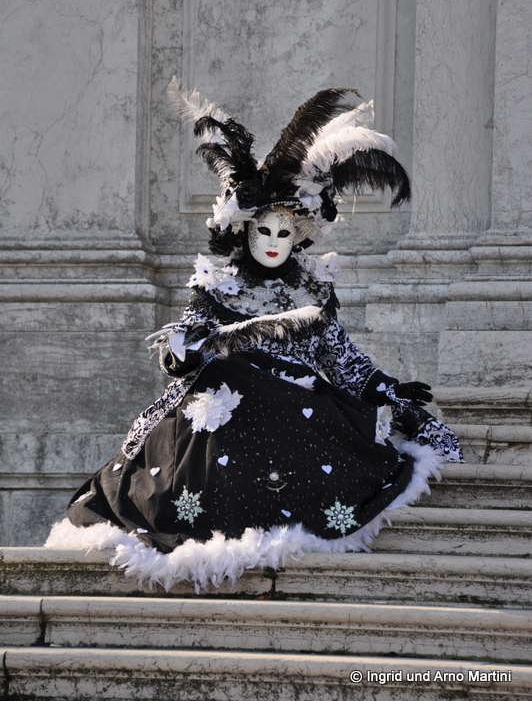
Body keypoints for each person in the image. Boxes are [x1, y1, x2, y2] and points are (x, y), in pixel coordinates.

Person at [46, 83, 463, 591]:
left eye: (284, 233)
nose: (272, 242)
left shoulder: (312, 290)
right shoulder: (217, 287)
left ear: (299, 235)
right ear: (243, 231)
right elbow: (189, 346)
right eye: (263, 230)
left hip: (298, 412)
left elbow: (340, 356)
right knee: (228, 380)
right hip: (224, 414)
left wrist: (385, 387)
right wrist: (180, 356)